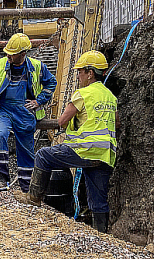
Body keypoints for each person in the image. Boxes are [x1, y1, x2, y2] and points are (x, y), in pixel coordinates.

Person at [14, 50, 119, 234]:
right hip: (105, 154)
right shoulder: (110, 96)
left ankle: (34, 198)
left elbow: (62, 121)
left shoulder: (83, 94)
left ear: (90, 73)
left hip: (84, 150)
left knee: (43, 155)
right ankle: (102, 235)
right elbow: (116, 123)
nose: (78, 76)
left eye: (80, 71)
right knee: (98, 200)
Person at [0, 33, 57, 193]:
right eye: (7, 52)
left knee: (25, 148)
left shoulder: (37, 67)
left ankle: (27, 187)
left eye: (12, 53)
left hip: (24, 111)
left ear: (23, 54)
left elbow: (52, 82)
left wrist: (39, 101)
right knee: (1, 134)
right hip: (3, 109)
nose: (8, 55)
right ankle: (1, 178)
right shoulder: (0, 65)